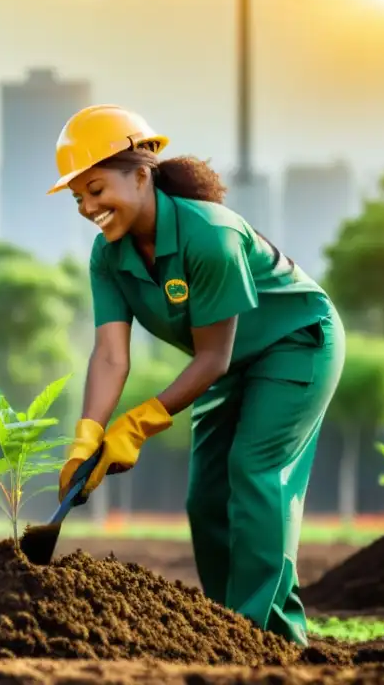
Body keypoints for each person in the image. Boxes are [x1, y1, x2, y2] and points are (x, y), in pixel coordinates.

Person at [49, 105, 345, 646]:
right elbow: (112, 356)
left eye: (96, 189)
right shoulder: (107, 256)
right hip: (232, 365)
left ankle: (261, 638)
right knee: (206, 496)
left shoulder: (209, 235)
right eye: (79, 199)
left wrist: (136, 426)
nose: (89, 207)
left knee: (253, 472)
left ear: (142, 174)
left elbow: (212, 358)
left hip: (296, 344)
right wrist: (87, 435)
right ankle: (225, 628)